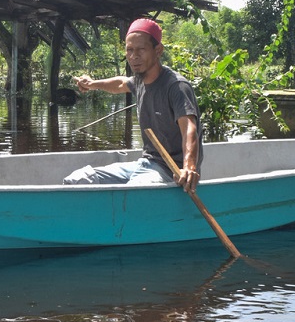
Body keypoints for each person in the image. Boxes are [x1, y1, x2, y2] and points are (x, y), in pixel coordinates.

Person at [64, 17, 203, 192]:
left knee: (131, 194)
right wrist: (92, 84)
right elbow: (120, 84)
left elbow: (190, 129)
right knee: (78, 180)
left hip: (171, 171)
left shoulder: (176, 86)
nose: (134, 56)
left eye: (141, 50)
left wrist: (189, 167)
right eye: (129, 50)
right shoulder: (139, 80)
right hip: (146, 163)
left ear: (158, 50)